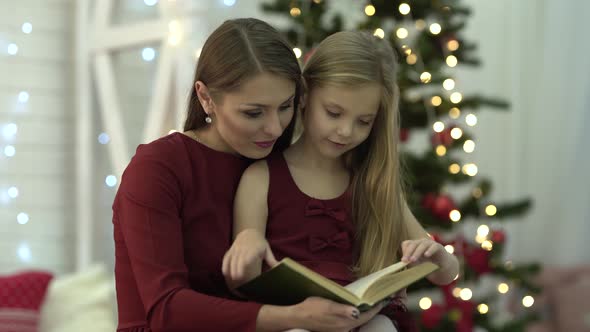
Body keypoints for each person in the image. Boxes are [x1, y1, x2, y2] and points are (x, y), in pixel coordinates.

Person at [113, 18, 383, 332]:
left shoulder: (276, 168)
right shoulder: (159, 167)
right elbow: (167, 311)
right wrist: (296, 317)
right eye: (253, 113)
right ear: (205, 97)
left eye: (286, 106)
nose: (275, 127)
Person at [222, 31, 460, 331]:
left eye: (364, 121)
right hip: (293, 321)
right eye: (334, 113)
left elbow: (446, 273)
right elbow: (239, 285)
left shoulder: (372, 182)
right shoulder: (261, 178)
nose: (346, 131)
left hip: (363, 322)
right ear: (305, 95)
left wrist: (438, 255)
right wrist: (247, 246)